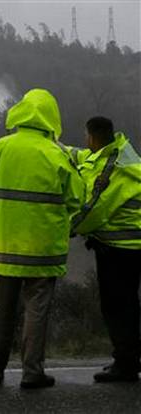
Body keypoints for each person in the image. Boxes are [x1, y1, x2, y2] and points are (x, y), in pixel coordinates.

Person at [0, 89, 85, 388]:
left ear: (21, 113)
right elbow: (77, 198)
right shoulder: (55, 153)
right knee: (37, 311)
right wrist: (65, 225)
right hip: (43, 249)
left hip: (4, 245)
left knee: (0, 310)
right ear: (51, 118)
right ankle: (32, 372)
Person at [72, 116, 141, 382]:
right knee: (131, 304)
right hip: (134, 244)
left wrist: (68, 228)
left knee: (117, 305)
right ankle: (131, 355)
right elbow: (83, 157)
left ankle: (125, 364)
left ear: (91, 137)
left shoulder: (110, 170)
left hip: (119, 248)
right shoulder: (125, 154)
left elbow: (93, 210)